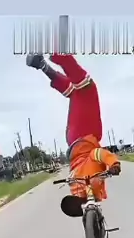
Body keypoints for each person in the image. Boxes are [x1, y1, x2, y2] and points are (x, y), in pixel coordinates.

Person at [26, 53, 120, 217]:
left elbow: (68, 84)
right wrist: (114, 164)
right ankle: (84, 201)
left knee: (77, 182)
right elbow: (102, 154)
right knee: (81, 87)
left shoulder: (82, 90)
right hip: (84, 140)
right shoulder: (85, 90)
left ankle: (82, 201)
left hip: (77, 149)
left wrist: (48, 64)